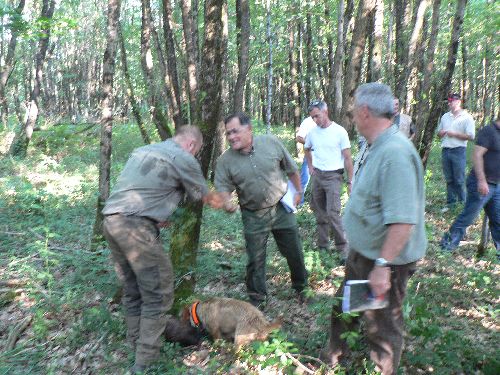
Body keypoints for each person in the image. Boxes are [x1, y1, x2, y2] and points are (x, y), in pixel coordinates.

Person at [320, 83, 427, 374]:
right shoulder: (374, 144)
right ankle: (333, 358)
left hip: (384, 259)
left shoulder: (395, 153)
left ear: (365, 112)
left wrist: (382, 266)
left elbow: (403, 220)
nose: (351, 114)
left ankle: (384, 370)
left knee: (382, 325)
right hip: (364, 252)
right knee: (346, 307)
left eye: (354, 109)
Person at [102, 125, 223, 373]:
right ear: (191, 145)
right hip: (135, 228)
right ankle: (145, 362)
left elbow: (142, 190)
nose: (196, 154)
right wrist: (229, 202)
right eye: (197, 150)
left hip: (111, 222)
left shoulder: (144, 151)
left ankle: (135, 343)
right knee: (158, 293)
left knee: (134, 290)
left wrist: (156, 214)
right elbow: (208, 198)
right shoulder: (184, 157)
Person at [215, 113, 308, 307]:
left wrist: (298, 191)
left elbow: (291, 169)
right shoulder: (226, 161)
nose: (231, 137)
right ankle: (257, 300)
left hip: (281, 207)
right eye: (228, 133)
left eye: (235, 131)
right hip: (253, 214)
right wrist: (226, 202)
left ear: (249, 129)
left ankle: (302, 288)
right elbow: (223, 188)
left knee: (294, 251)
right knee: (255, 259)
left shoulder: (271, 143)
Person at [440, 116, 499, 253]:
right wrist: (481, 180)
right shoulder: (488, 131)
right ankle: (446, 247)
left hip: (496, 185)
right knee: (468, 216)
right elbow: (477, 155)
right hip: (482, 183)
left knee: (498, 220)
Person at [304, 100, 353, 255]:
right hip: (318, 175)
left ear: (326, 112)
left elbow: (347, 158)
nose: (315, 120)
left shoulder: (339, 132)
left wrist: (350, 181)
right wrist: (311, 167)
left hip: (334, 176)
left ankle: (342, 248)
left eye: (317, 116)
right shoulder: (312, 133)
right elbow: (307, 148)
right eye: (312, 117)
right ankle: (323, 246)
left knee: (333, 213)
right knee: (319, 213)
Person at [437, 93, 475, 211]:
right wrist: (441, 133)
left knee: (458, 179)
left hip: (459, 150)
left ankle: (463, 203)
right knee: (449, 179)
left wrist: (455, 134)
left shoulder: (467, 117)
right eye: (448, 101)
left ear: (458, 102)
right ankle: (451, 204)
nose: (449, 103)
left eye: (451, 101)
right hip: (446, 150)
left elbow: (471, 136)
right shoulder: (445, 117)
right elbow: (438, 133)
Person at [295, 116, 317, 204]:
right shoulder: (307, 122)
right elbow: (299, 137)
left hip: (324, 155)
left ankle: (318, 204)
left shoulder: (325, 121)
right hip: (310, 154)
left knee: (322, 180)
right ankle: (300, 203)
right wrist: (311, 144)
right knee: (304, 179)